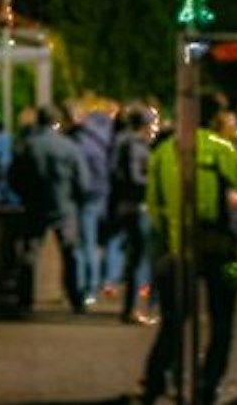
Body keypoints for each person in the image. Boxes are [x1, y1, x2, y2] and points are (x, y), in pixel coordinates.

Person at [138, 96, 237, 405]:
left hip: (178, 247)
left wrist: (169, 236)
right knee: (222, 320)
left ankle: (156, 378)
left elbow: (153, 204)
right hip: (216, 243)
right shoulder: (220, 147)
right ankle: (208, 383)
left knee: (175, 319)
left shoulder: (164, 152)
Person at [11, 104, 91, 314]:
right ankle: (76, 298)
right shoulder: (69, 147)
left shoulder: (27, 145)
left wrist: (25, 195)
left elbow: (14, 177)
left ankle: (25, 298)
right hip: (64, 206)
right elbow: (83, 181)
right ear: (57, 122)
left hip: (35, 205)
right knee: (72, 252)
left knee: (30, 251)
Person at [110, 104, 160, 323]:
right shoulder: (135, 145)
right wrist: (154, 182)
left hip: (126, 204)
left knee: (135, 257)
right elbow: (134, 177)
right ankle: (134, 309)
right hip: (138, 205)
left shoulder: (122, 141)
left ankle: (132, 307)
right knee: (141, 259)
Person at [71, 99, 115, 306]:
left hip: (86, 195)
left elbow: (79, 173)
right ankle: (104, 281)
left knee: (85, 243)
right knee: (105, 241)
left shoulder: (80, 141)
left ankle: (87, 286)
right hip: (104, 192)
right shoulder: (106, 134)